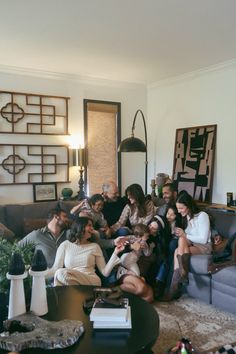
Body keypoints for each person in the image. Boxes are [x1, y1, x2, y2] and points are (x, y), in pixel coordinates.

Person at [47, 217, 124, 286]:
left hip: (91, 280)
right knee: (59, 275)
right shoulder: (65, 245)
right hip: (70, 278)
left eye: (92, 226)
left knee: (60, 273)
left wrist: (115, 252)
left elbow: (105, 272)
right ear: (81, 226)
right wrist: (38, 275)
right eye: (89, 225)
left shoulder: (94, 246)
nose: (92, 228)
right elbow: (55, 269)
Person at [167, 190, 212, 300]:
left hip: (204, 246)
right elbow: (187, 237)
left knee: (178, 250)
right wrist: (182, 234)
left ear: (188, 205)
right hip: (192, 244)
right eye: (178, 208)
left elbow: (203, 239)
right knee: (180, 243)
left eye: (181, 208)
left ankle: (173, 289)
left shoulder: (202, 216)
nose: (179, 211)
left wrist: (185, 234)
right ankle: (183, 274)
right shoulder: (186, 217)